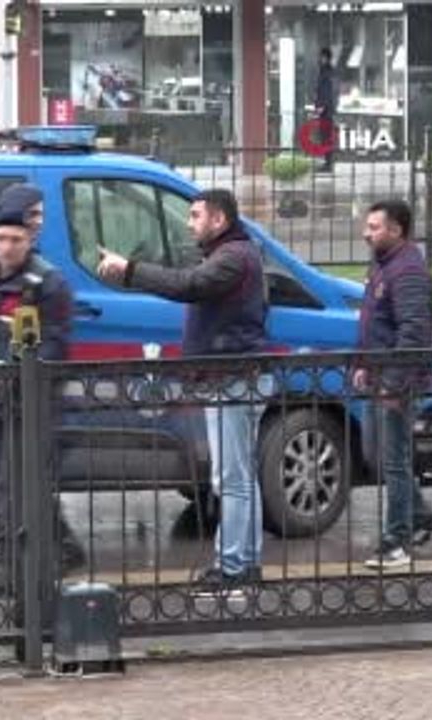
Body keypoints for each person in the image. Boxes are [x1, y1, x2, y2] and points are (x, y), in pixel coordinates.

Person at [95, 188, 267, 594]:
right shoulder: (229, 254)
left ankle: (234, 569)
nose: (189, 224)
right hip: (227, 376)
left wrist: (130, 270)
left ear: (219, 220)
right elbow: (186, 279)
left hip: (232, 378)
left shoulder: (233, 258)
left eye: (194, 216)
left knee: (234, 480)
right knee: (239, 477)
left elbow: (188, 285)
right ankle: (245, 563)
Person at [0, 203, 85, 590]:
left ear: (30, 241)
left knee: (13, 483)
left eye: (16, 239)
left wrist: (14, 375)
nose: (7, 247)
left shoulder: (48, 284)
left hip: (30, 400)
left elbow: (54, 345)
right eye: (2, 238)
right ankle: (65, 548)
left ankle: (3, 568)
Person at [355, 200, 432, 570]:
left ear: (396, 231)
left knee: (393, 460)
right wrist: (363, 364)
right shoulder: (384, 264)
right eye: (368, 226)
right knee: (379, 455)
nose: (366, 233)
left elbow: (413, 333)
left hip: (398, 383)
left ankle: (397, 540)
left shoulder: (408, 271)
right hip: (381, 377)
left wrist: (392, 384)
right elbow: (375, 322)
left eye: (374, 227)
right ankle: (420, 516)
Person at [314, 48, 338, 173]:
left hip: (326, 111)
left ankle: (328, 164)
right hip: (325, 110)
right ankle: (327, 162)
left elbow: (328, 91)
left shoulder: (328, 72)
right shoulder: (325, 71)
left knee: (326, 137)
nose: (320, 59)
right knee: (324, 137)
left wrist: (322, 106)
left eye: (322, 57)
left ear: (326, 57)